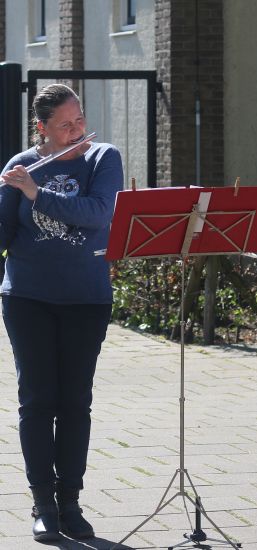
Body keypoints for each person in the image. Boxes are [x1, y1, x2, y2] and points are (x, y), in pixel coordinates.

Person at [0, 83, 123, 541]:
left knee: (75, 403)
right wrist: (12, 193)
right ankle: (43, 503)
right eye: (65, 125)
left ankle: (71, 501)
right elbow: (6, 230)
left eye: (80, 120)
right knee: (37, 401)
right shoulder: (20, 164)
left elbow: (97, 213)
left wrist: (36, 192)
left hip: (86, 298)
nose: (77, 130)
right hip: (27, 296)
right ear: (43, 129)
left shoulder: (102, 158)